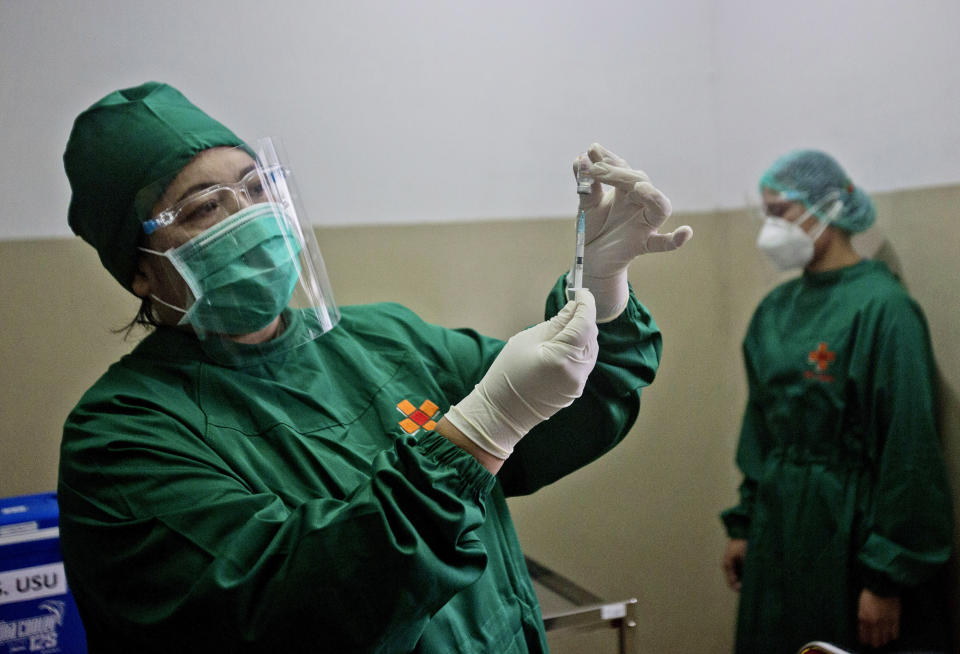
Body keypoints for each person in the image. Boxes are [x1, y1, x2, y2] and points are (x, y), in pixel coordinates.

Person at [58, 81, 692, 653]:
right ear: (139, 267)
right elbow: (292, 611)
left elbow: (564, 410)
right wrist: (476, 434)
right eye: (203, 208)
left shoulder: (386, 338)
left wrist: (601, 296)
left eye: (256, 188)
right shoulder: (123, 439)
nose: (249, 216)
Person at [720, 149, 954, 653]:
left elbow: (907, 451)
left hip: (850, 534)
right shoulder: (774, 312)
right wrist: (745, 523)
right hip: (779, 531)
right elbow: (761, 431)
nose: (771, 228)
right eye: (767, 214)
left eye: (781, 211)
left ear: (827, 207)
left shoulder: (884, 310)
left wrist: (887, 578)